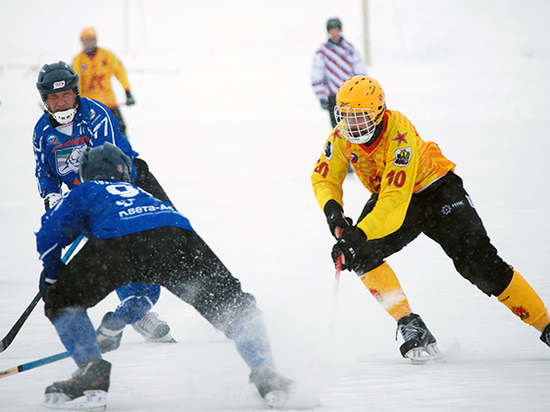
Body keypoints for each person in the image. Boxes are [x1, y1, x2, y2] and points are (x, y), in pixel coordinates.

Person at [311, 75, 550, 363]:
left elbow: (393, 204)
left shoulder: (399, 134)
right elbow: (324, 177)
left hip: (437, 192)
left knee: (479, 263)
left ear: (378, 113)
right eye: (345, 117)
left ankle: (545, 324)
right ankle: (410, 323)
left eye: (360, 118)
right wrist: (333, 212)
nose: (352, 126)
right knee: (359, 254)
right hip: (396, 195)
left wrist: (357, 233)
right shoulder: (341, 135)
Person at [36, 143, 292, 410]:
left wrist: (54, 278)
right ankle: (266, 371)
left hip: (118, 240)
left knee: (62, 301)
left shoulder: (84, 190)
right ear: (124, 171)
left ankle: (91, 369)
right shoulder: (143, 193)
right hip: (175, 234)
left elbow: (48, 237)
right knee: (233, 304)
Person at [32, 61, 175, 351]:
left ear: (76, 92)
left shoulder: (96, 114)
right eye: (54, 98)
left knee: (170, 237)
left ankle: (214, 297)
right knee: (115, 249)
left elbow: (106, 165)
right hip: (87, 198)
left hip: (131, 181)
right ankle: (138, 309)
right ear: (45, 100)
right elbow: (44, 171)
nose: (61, 103)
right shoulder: (41, 132)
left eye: (67, 95)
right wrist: (53, 199)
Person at [73, 27, 135, 137]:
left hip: (109, 102)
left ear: (95, 40)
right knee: (94, 135)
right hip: (90, 105)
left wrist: (127, 91)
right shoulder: (78, 60)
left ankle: (124, 154)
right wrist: (76, 103)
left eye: (91, 39)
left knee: (120, 130)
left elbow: (120, 72)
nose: (88, 43)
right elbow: (75, 83)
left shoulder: (106, 55)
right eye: (85, 40)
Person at [311, 18, 368, 129]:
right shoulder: (323, 51)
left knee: (354, 126)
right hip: (334, 97)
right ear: (328, 32)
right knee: (337, 129)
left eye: (336, 30)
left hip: (351, 96)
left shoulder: (349, 48)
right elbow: (317, 74)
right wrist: (321, 97)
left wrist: (363, 90)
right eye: (332, 30)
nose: (334, 33)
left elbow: (360, 71)